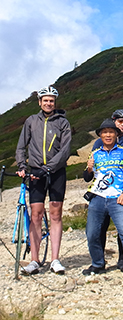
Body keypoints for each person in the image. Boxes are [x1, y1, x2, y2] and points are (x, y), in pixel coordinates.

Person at [83, 118, 123, 285]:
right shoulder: (95, 153)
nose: (108, 135)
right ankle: (98, 264)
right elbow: (87, 178)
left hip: (117, 199)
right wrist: (89, 168)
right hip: (97, 198)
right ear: (100, 135)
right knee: (92, 234)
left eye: (111, 132)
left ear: (116, 135)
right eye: (105, 132)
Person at [15, 86, 71, 275]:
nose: (48, 103)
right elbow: (21, 146)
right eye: (45, 100)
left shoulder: (63, 122)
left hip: (56, 172)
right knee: (36, 214)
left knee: (55, 214)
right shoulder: (31, 121)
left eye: (51, 100)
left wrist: (51, 167)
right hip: (36, 172)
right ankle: (34, 260)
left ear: (55, 103)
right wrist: (22, 166)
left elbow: (65, 150)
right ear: (39, 102)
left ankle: (55, 259)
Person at [91, 109, 123, 272]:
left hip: (121, 191)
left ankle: (122, 259)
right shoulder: (99, 143)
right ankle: (100, 260)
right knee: (100, 227)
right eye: (120, 121)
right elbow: (94, 167)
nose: (122, 125)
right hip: (102, 191)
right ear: (113, 121)